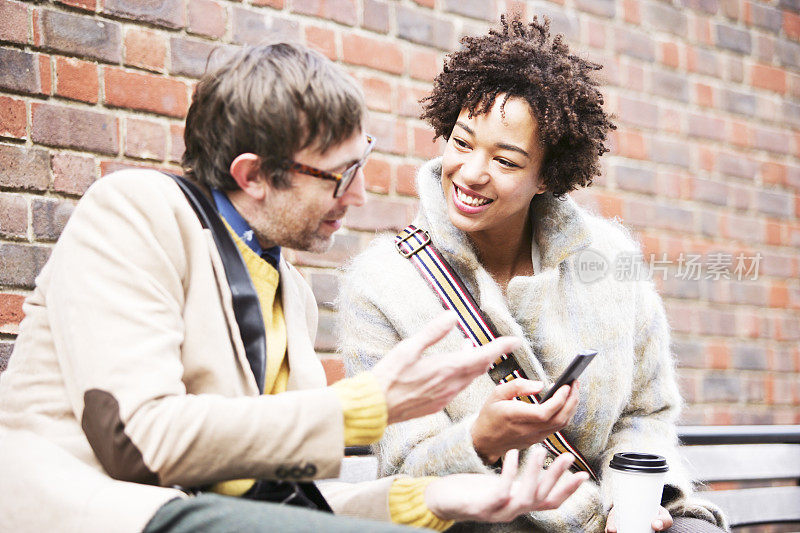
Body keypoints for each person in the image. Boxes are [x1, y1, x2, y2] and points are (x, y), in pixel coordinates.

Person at [0, 42, 589, 533]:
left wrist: (435, 499)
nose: (358, 198)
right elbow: (142, 441)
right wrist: (367, 406)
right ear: (253, 175)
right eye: (342, 176)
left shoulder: (289, 289)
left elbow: (281, 505)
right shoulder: (134, 212)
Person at [337, 16, 729, 533]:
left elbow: (645, 413)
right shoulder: (381, 283)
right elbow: (405, 473)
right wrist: (482, 438)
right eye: (461, 142)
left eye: (505, 160)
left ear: (546, 175)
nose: (472, 172)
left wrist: (628, 503)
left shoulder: (608, 259)